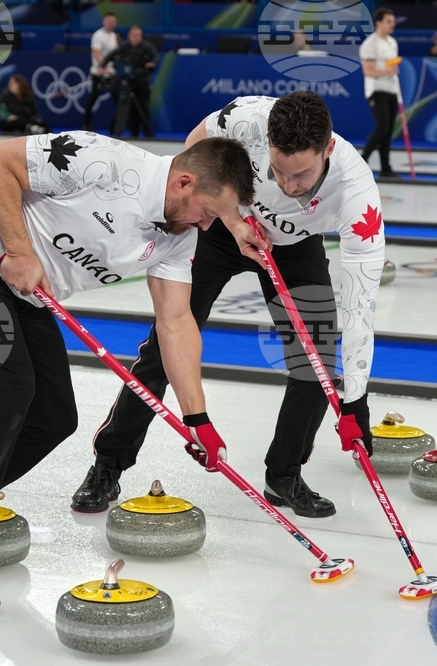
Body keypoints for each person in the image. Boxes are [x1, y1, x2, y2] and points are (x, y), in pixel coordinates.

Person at [0, 132, 256, 613]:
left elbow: (176, 323)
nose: (209, 224)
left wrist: (198, 421)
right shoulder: (104, 161)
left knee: (53, 416)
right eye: (208, 211)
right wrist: (21, 251)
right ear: (184, 181)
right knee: (5, 388)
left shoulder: (180, 237)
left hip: (24, 291)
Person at [70, 91, 384, 520]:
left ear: (328, 148)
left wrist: (356, 400)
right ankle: (109, 464)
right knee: (166, 347)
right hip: (220, 228)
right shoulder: (249, 117)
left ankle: (284, 473)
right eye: (278, 171)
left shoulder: (358, 195)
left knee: (317, 361)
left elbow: (361, 304)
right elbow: (193, 154)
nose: (290, 186)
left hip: (295, 248)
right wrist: (232, 219)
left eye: (302, 175)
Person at [359, 7, 400, 178]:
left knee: (389, 130)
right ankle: (361, 162)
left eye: (393, 21)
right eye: (389, 21)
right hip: (376, 90)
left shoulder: (392, 42)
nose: (393, 24)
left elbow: (391, 65)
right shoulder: (370, 44)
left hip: (391, 90)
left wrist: (392, 69)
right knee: (382, 127)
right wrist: (389, 71)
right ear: (379, 23)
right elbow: (368, 71)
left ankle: (385, 167)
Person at [102, 25, 158, 138]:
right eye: (133, 35)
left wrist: (152, 64)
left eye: (138, 35)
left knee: (144, 107)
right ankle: (127, 132)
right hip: (126, 82)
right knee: (127, 108)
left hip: (141, 81)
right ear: (129, 36)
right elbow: (110, 56)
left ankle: (148, 133)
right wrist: (102, 66)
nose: (136, 38)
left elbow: (155, 58)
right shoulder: (123, 46)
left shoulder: (147, 46)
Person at [82, 12, 119, 132]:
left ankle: (114, 128)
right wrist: (102, 67)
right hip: (98, 73)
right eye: (109, 21)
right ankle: (86, 125)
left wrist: (111, 69)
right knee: (93, 99)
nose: (111, 23)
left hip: (111, 73)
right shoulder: (98, 35)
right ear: (104, 22)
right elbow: (96, 52)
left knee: (118, 101)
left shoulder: (114, 36)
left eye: (113, 21)